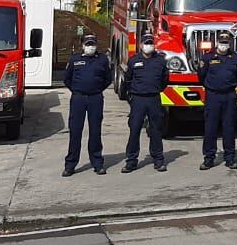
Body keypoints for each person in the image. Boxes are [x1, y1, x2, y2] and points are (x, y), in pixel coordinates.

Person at [62, 34, 113, 176]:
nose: (90, 47)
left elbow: (107, 79)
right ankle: (70, 165)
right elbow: (67, 79)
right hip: (78, 99)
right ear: (82, 45)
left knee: (95, 131)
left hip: (95, 98)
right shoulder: (75, 59)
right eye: (87, 44)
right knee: (75, 131)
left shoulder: (102, 60)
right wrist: (78, 90)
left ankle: (97, 163)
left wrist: (95, 90)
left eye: (92, 44)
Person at [120, 33, 170, 172]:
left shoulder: (160, 61)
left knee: (156, 130)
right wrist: (131, 95)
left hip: (154, 98)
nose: (148, 46)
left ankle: (158, 160)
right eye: (146, 43)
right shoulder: (133, 60)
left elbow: (165, 80)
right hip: (138, 99)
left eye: (150, 43)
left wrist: (157, 89)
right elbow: (128, 80)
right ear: (141, 45)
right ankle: (131, 161)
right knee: (134, 129)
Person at [198, 30, 237, 170]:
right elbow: (201, 76)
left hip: (229, 95)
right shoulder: (208, 57)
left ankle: (230, 158)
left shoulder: (235, 57)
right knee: (210, 128)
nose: (224, 45)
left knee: (229, 128)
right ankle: (209, 158)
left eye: (226, 42)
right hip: (213, 96)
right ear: (217, 42)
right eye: (222, 42)